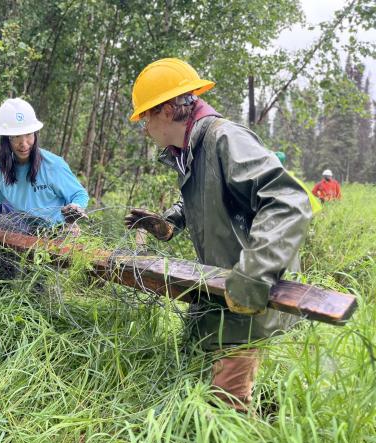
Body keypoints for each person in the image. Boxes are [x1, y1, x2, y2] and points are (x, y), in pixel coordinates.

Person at [124, 58, 312, 412]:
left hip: (247, 296)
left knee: (225, 408)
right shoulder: (191, 150)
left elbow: (288, 201)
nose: (144, 127)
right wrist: (169, 223)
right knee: (194, 375)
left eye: (145, 117)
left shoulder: (224, 138)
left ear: (166, 110)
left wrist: (254, 272)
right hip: (217, 294)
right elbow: (212, 196)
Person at [0, 98, 89, 272]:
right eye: (16, 136)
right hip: (29, 234)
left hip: (62, 234)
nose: (24, 143)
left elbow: (79, 194)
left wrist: (75, 207)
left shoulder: (53, 166)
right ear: (6, 139)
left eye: (28, 134)